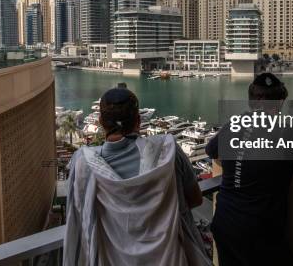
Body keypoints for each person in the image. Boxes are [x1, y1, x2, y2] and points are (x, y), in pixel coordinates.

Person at [64, 86, 211, 266]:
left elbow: (80, 217)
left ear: (101, 122)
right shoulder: (167, 149)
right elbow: (195, 199)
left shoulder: (83, 163)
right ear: (138, 120)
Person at [206, 73, 293, 266]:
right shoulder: (285, 132)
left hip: (225, 223)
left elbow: (211, 150)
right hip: (260, 232)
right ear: (280, 104)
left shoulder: (235, 124)